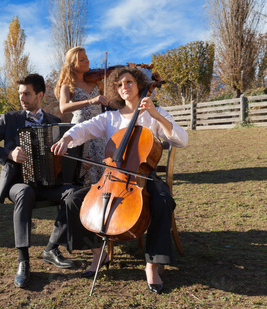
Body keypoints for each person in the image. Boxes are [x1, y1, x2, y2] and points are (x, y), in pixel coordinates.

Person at [51, 66, 189, 294]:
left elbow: (182, 140)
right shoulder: (110, 117)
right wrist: (67, 138)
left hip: (144, 177)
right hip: (112, 178)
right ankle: (98, 254)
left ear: (140, 85)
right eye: (119, 85)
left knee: (163, 201)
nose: (124, 87)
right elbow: (84, 129)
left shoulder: (156, 112)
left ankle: (152, 264)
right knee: (73, 200)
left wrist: (155, 116)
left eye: (129, 82)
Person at [0, 73, 80, 289]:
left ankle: (51, 248)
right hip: (18, 184)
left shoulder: (55, 122)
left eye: (27, 93)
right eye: (20, 94)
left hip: (49, 183)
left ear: (39, 95)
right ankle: (23, 261)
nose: (22, 98)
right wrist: (9, 154)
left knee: (75, 193)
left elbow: (67, 153)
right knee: (24, 192)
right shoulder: (10, 119)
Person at [54, 46, 108, 186]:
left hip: (99, 131)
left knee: (103, 169)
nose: (87, 61)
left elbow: (111, 98)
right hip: (80, 131)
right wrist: (90, 101)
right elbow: (63, 107)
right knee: (85, 171)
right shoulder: (68, 85)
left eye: (86, 57)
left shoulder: (97, 82)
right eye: (82, 59)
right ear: (72, 65)